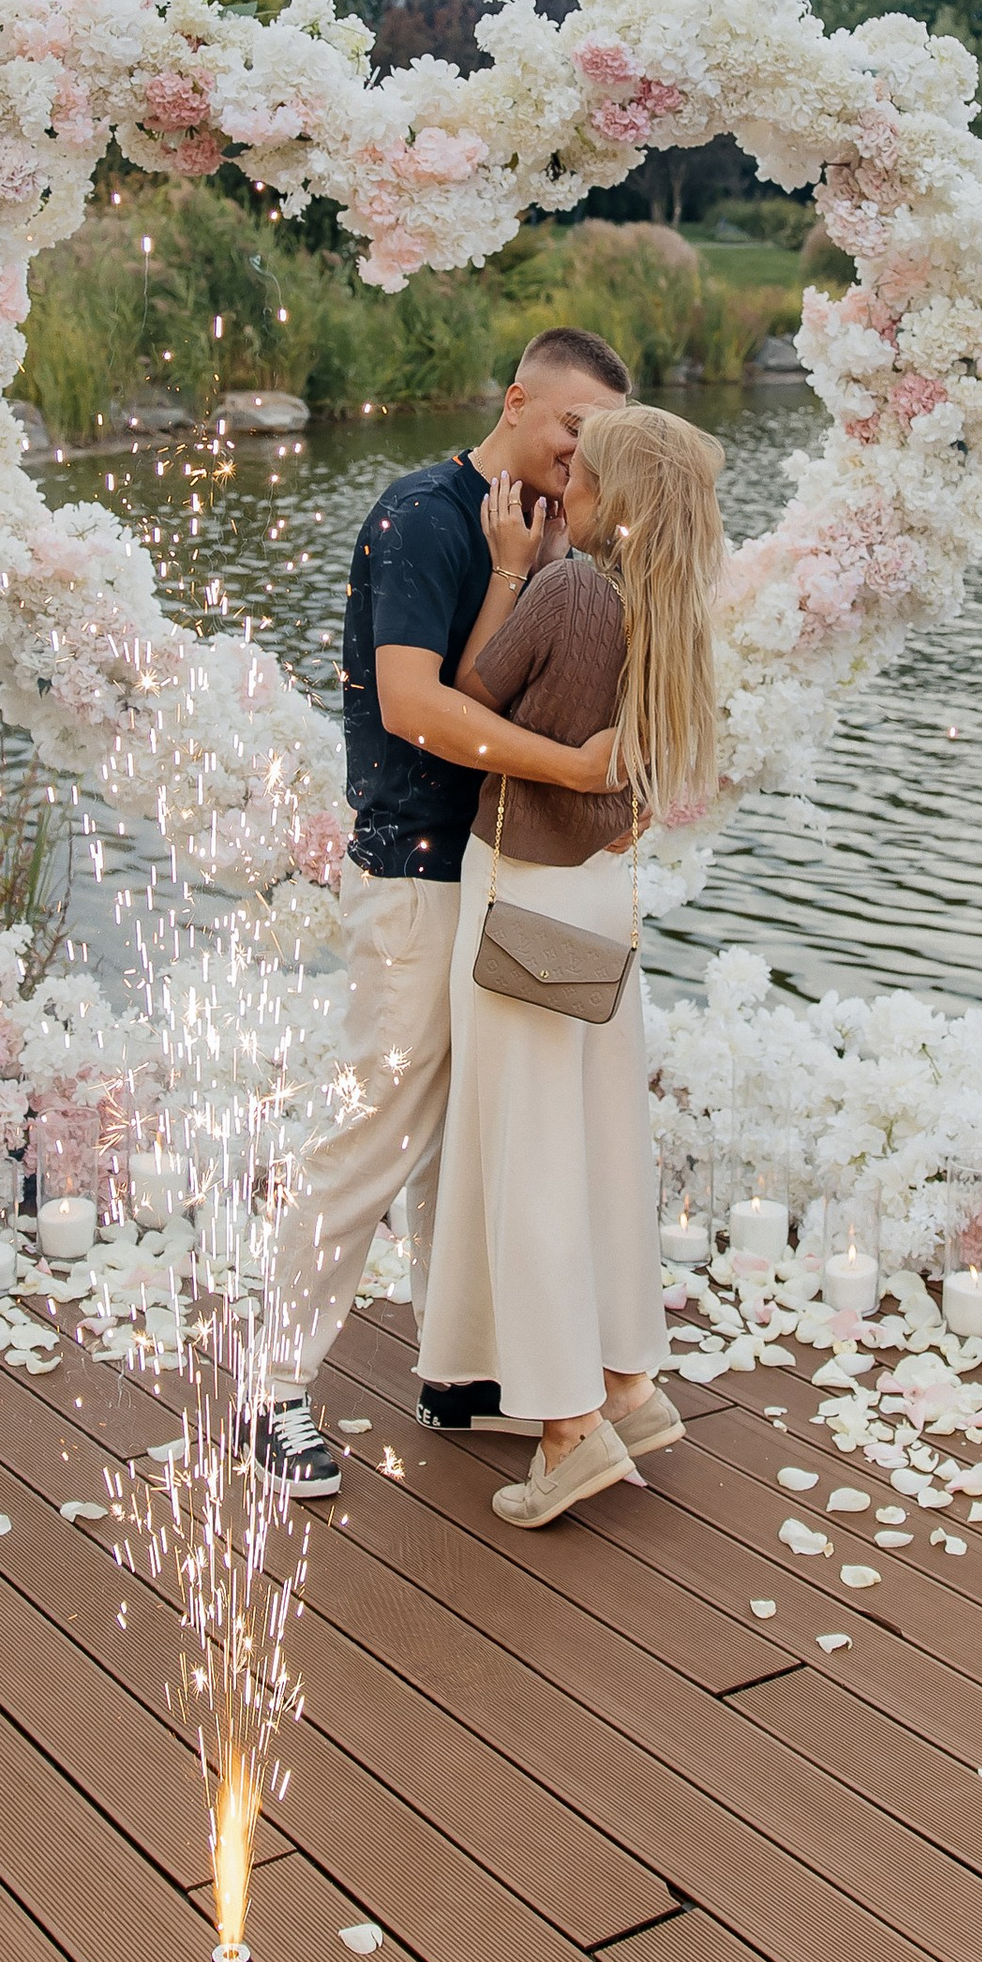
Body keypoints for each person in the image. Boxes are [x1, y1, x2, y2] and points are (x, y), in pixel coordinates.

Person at [254, 327, 634, 1494]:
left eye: (600, 439)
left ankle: (459, 1370)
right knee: (378, 1128)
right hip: (417, 870)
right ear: (518, 401)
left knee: (472, 1139)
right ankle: (265, 1386)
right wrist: (575, 774)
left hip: (503, 875)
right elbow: (417, 705)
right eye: (572, 427)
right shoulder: (420, 515)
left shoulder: (561, 534)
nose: (582, 452)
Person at [417, 401, 726, 1527]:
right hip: (599, 896)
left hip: (524, 891)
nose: (564, 487)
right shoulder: (667, 607)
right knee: (595, 1147)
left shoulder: (567, 588)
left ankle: (563, 1426)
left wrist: (507, 569)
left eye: (583, 474)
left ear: (617, 495)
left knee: (530, 1155)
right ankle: (628, 1383)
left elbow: (459, 704)